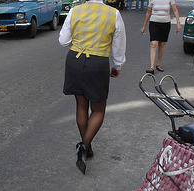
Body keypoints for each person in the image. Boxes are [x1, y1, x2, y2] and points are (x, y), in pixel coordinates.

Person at [59, 0, 126, 174]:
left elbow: (64, 41)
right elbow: (118, 47)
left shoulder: (75, 11)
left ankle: (86, 148)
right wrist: (117, 66)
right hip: (98, 63)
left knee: (81, 105)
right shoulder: (113, 14)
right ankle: (84, 146)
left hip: (75, 60)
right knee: (98, 109)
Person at [141, 0, 181, 74]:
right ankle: (152, 67)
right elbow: (148, 12)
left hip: (165, 24)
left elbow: (175, 10)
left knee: (162, 44)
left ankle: (158, 64)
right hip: (154, 23)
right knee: (154, 44)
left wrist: (178, 22)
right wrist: (144, 26)